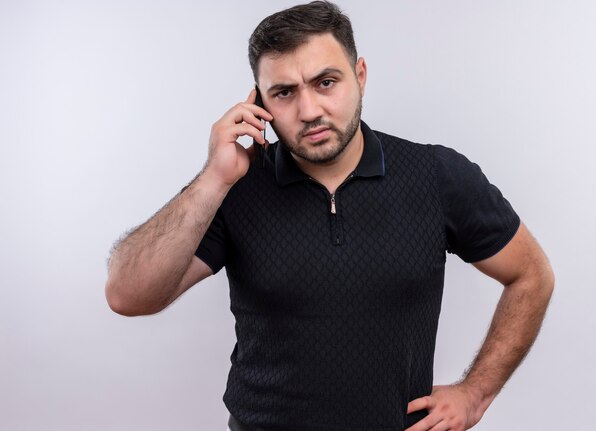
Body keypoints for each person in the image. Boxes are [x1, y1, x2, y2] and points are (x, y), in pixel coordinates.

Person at [105, 2, 554, 430]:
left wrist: (476, 392)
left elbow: (531, 275)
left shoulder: (436, 174)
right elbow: (128, 295)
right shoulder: (235, 188)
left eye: (326, 82)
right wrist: (214, 178)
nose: (309, 111)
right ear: (258, 101)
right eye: (283, 92)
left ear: (360, 75)